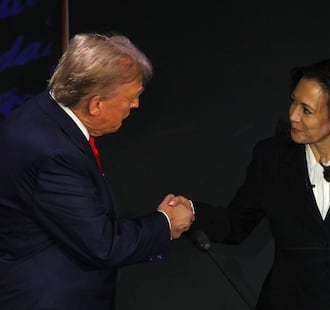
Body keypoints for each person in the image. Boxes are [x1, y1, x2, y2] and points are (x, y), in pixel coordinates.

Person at [188, 56, 330, 310]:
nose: (292, 115)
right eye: (293, 102)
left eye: (306, 110)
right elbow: (234, 224)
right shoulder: (271, 158)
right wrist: (190, 213)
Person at [0, 32, 195, 309]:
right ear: (96, 104)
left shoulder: (41, 114)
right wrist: (165, 222)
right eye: (131, 98)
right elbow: (104, 245)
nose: (135, 105)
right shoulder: (54, 153)